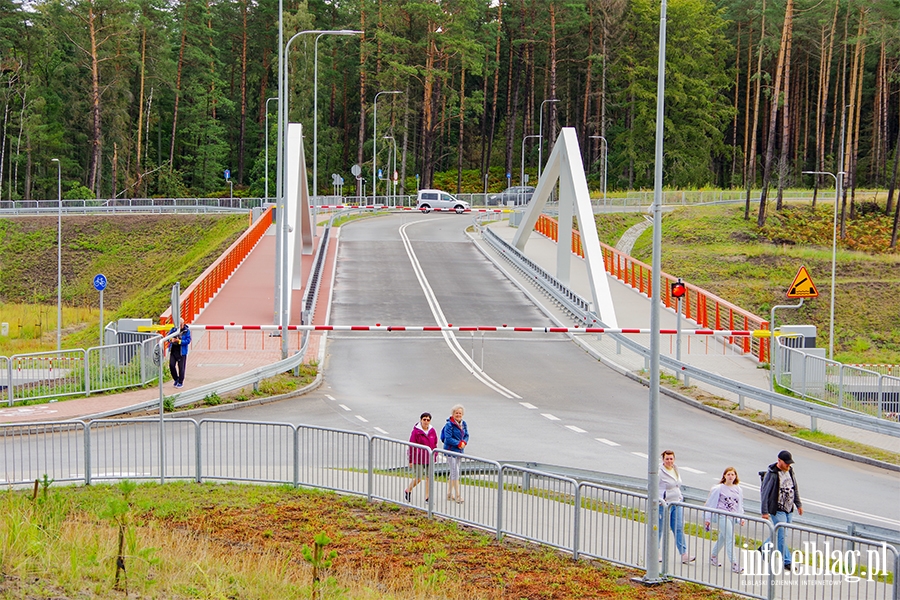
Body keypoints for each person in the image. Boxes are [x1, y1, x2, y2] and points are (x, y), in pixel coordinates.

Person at [760, 450, 803, 570]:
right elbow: (764, 493)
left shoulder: (790, 472)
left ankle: (764, 548)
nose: (788, 466)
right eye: (786, 463)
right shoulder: (772, 474)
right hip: (777, 509)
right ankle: (787, 561)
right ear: (779, 461)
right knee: (782, 536)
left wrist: (798, 504)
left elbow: (795, 488)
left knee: (780, 533)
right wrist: (764, 512)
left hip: (789, 509)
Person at [704, 467, 746, 573]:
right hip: (722, 515)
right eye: (728, 474)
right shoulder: (718, 488)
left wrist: (741, 517)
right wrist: (708, 518)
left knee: (723, 537)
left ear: (735, 476)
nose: (730, 476)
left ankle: (713, 556)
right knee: (730, 538)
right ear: (724, 476)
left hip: (732, 516)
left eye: (732, 474)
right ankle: (734, 563)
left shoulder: (738, 489)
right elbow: (711, 503)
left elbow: (739, 505)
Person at [659, 449, 694, 563]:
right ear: (663, 459)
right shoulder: (659, 471)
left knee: (678, 528)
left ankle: (684, 553)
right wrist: (659, 499)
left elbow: (677, 484)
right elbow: (653, 485)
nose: (669, 461)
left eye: (671, 458)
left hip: (676, 502)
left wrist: (680, 497)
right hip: (664, 503)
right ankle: (656, 552)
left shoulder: (675, 468)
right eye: (667, 459)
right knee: (660, 528)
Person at [404, 412, 437, 503]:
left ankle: (428, 497)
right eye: (424, 419)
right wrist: (411, 460)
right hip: (418, 458)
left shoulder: (432, 431)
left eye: (428, 420)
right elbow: (412, 445)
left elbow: (434, 444)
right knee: (418, 478)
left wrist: (435, 455)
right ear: (421, 420)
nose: (426, 422)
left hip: (429, 457)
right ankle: (408, 490)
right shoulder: (416, 432)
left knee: (429, 477)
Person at [440, 404, 468, 503]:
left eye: (460, 413)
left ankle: (449, 493)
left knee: (454, 472)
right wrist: (458, 443)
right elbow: (448, 438)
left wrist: (464, 442)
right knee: (455, 472)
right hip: (450, 451)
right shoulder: (449, 425)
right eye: (456, 413)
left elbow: (466, 435)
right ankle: (457, 495)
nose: (458, 415)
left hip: (459, 451)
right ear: (453, 414)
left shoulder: (463, 424)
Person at [167, 322, 191, 388]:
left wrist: (179, 341)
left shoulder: (187, 331)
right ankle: (176, 379)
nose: (179, 326)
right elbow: (168, 337)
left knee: (181, 367)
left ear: (183, 324)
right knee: (171, 365)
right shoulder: (173, 330)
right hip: (173, 350)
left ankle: (180, 381)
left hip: (182, 352)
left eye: (181, 324)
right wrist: (171, 340)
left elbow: (188, 340)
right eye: (178, 324)